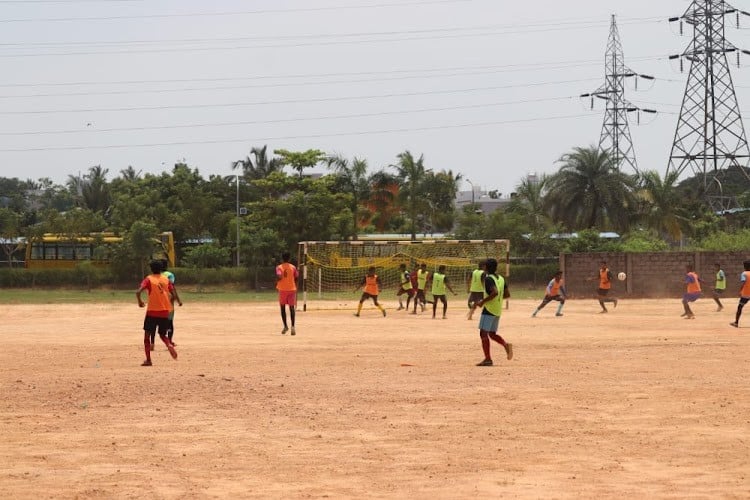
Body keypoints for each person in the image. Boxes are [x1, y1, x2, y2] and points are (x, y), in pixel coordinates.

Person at [136, 260, 178, 366]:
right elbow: (173, 294)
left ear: (151, 269)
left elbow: (138, 291)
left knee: (147, 335)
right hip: (164, 311)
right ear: (161, 269)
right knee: (163, 334)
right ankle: (169, 344)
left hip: (152, 311)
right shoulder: (166, 279)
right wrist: (168, 301)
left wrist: (140, 301)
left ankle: (148, 360)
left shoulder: (149, 279)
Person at [474, 258, 513, 367]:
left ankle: (488, 359)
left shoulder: (488, 279)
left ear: (486, 267)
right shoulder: (501, 278)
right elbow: (507, 294)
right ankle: (505, 345)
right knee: (491, 334)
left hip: (489, 309)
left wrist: (482, 302)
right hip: (497, 309)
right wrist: (497, 298)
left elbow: (494, 292)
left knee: (483, 333)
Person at [149, 259, 182, 350]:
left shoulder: (153, 276)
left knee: (153, 324)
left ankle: (152, 343)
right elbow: (172, 289)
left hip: (156, 303)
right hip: (168, 304)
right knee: (169, 323)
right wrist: (178, 300)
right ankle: (170, 342)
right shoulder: (170, 275)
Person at [276, 251, 299, 335]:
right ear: (289, 258)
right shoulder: (293, 267)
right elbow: (296, 276)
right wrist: (294, 283)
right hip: (292, 289)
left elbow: (279, 275)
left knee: (282, 308)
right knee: (291, 308)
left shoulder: (279, 267)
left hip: (282, 289)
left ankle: (285, 326)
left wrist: (278, 279)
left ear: (282, 258)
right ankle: (293, 327)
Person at [730, 260, 750, 327]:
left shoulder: (744, 274)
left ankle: (736, 323)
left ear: (744, 267)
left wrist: (739, 291)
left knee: (740, 307)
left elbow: (743, 282)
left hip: (746, 294)